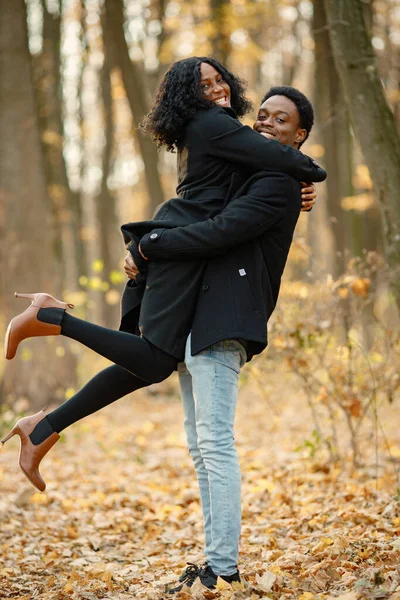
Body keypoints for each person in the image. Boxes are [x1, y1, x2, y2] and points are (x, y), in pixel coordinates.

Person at [1, 59, 323, 501]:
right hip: (173, 247)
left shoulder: (231, 137)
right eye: (204, 85)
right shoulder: (213, 124)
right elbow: (276, 163)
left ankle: (43, 427)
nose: (216, 90)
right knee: (151, 360)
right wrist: (308, 171)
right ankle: (52, 318)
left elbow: (263, 174)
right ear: (189, 96)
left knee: (144, 364)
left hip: (178, 249)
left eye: (219, 81)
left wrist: (300, 187)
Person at [123, 85, 321, 592]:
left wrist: (150, 245)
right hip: (201, 316)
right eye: (264, 115)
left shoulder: (278, 180)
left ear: (297, 136)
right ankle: (215, 563)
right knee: (201, 447)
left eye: (281, 121)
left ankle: (224, 569)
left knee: (215, 443)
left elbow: (218, 231)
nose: (267, 123)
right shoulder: (260, 175)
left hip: (226, 321)